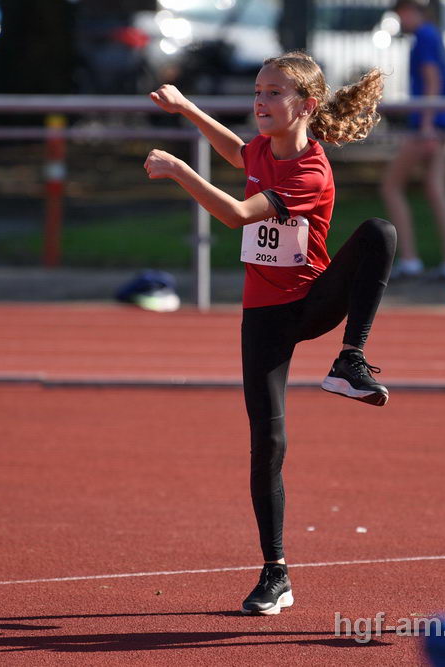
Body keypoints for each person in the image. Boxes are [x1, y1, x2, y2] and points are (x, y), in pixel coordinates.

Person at [144, 52, 396, 615]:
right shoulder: (261, 148)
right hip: (263, 316)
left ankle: (350, 358)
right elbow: (236, 151)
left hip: (310, 303)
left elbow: (238, 214)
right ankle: (275, 572)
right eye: (258, 91)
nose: (260, 101)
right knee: (268, 444)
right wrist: (186, 108)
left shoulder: (311, 170)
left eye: (274, 93)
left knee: (379, 232)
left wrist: (179, 170)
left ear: (306, 105)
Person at [383, 0, 445, 283]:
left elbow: (432, 80)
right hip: (438, 123)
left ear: (412, 10)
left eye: (401, 15)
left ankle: (409, 259)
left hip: (428, 125)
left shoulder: (424, 36)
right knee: (436, 189)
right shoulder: (432, 34)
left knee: (391, 186)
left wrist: (427, 124)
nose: (401, 21)